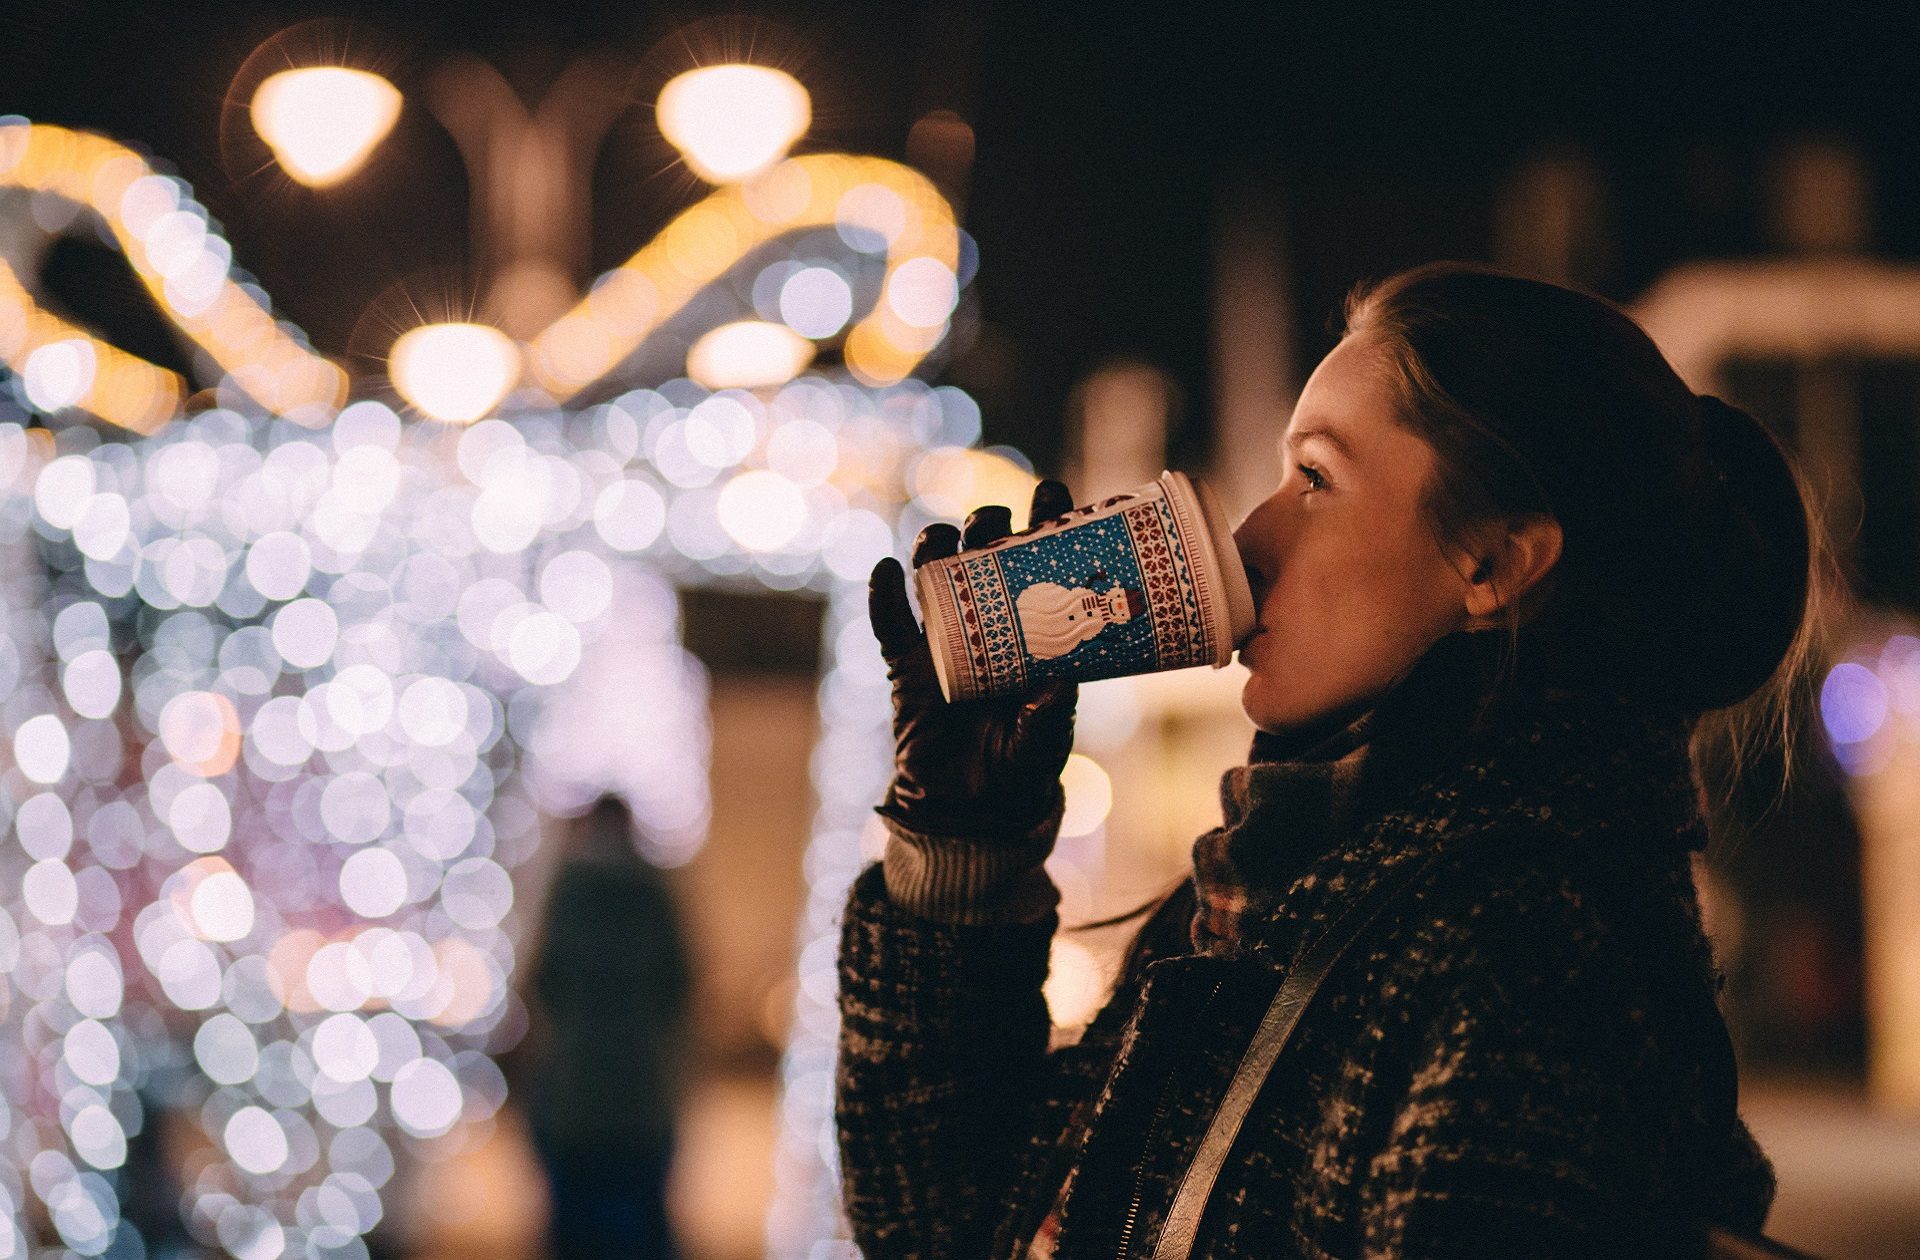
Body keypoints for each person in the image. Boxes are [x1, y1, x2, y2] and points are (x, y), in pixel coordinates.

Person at [835, 261, 1839, 1258]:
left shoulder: (1527, 958)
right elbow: (944, 1229)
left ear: (1492, 561)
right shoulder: (1279, 889)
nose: (1249, 535)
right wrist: (963, 848)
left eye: (1315, 477)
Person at [519, 794, 695, 1260]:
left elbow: (543, 982)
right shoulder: (653, 892)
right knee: (639, 1228)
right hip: (641, 1095)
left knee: (577, 1230)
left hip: (579, 1094)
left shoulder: (570, 893)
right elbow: (679, 984)